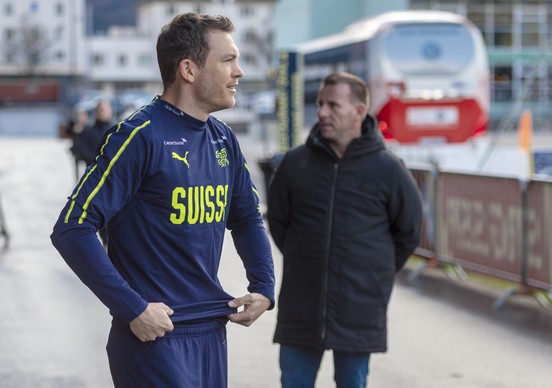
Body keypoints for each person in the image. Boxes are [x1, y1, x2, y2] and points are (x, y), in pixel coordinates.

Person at [51, 12, 275, 388]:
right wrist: (132, 308)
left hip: (210, 331)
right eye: (228, 60)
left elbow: (248, 217)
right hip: (154, 338)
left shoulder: (223, 138)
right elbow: (71, 228)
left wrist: (264, 286)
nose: (239, 72)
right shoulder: (138, 136)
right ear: (188, 69)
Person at [267, 72, 423, 387]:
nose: (322, 112)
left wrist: (372, 270)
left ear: (359, 111)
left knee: (353, 382)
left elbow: (408, 232)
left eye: (333, 105)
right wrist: (308, 258)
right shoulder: (295, 164)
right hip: (302, 304)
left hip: (359, 307)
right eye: (321, 104)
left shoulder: (388, 169)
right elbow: (279, 223)